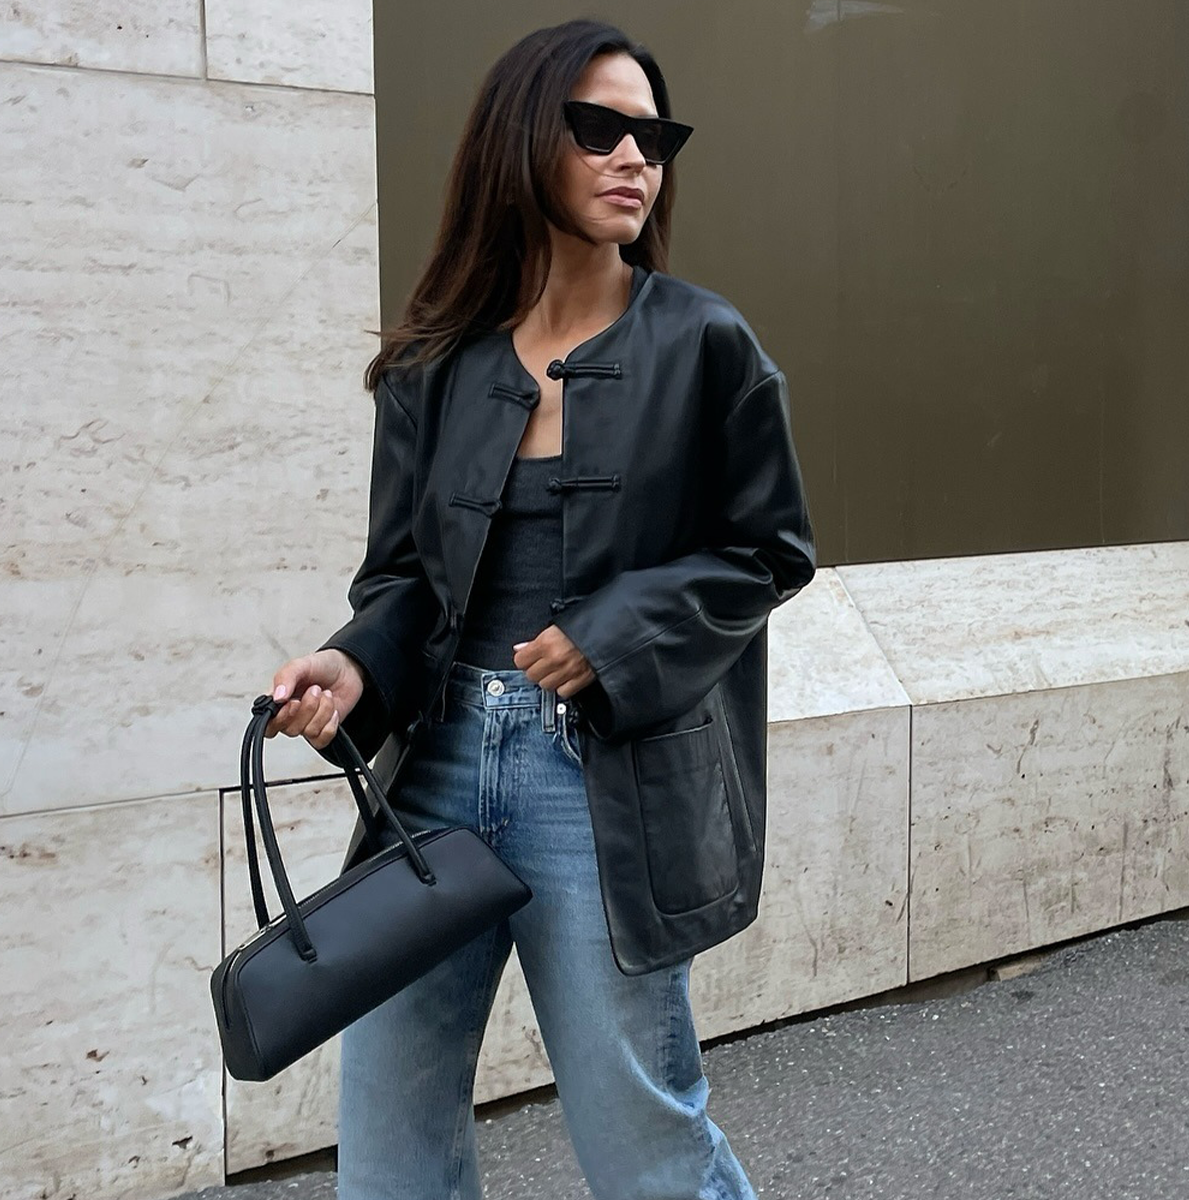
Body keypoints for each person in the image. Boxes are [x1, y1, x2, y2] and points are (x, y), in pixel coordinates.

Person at [264, 17, 816, 1200]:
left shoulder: (706, 343)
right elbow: (402, 581)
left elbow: (769, 552)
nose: (634, 157)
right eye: (599, 128)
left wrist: (616, 633)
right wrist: (355, 666)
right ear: (522, 140)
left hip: (600, 782)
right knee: (389, 1148)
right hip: (435, 780)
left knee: (642, 1145)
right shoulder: (436, 363)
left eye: (654, 136)